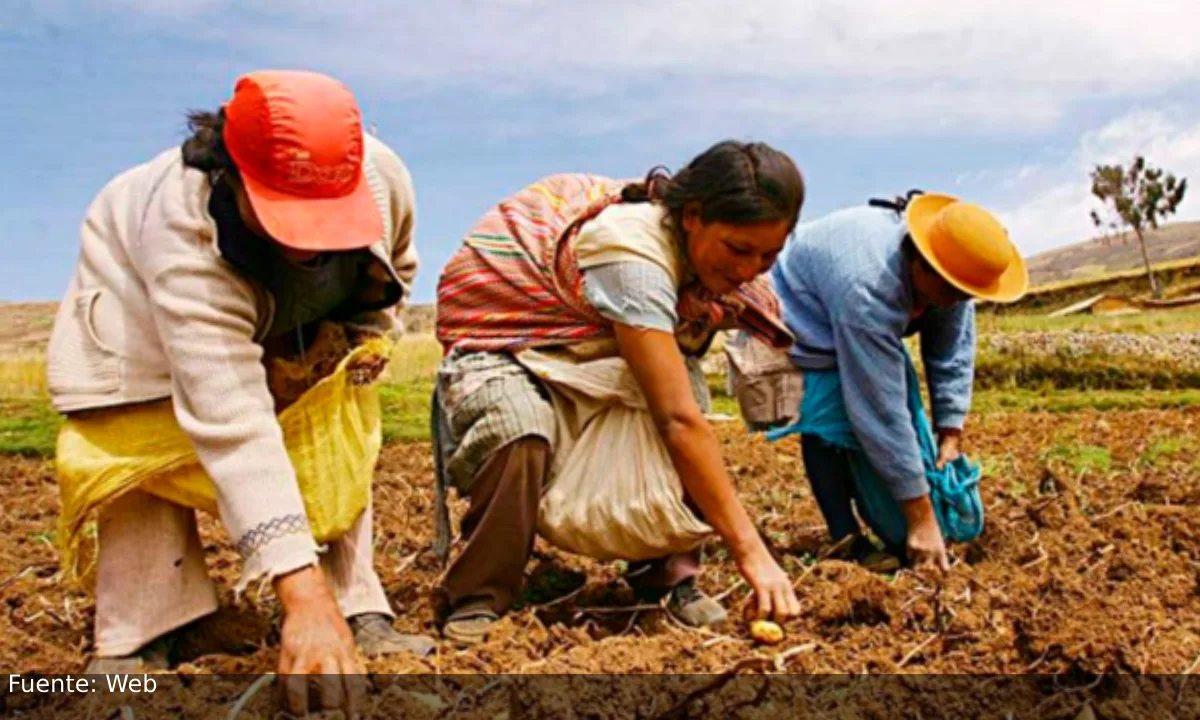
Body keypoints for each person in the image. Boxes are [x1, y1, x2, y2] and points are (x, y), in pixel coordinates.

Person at [46, 70, 433, 701]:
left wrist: (365, 335)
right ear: (234, 176)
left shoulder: (380, 175)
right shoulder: (181, 233)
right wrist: (294, 593)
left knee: (335, 427)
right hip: (134, 329)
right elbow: (232, 421)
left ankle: (355, 606)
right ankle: (139, 634)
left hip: (296, 317)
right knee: (140, 443)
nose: (310, 247)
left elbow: (399, 262)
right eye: (290, 216)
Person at [432, 141, 806, 644]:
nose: (748, 271)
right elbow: (677, 421)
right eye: (738, 249)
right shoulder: (631, 256)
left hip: (600, 343)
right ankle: (480, 594)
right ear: (692, 216)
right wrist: (750, 550)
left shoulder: (711, 273)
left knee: (686, 395)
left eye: (769, 255)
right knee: (515, 429)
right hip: (513, 342)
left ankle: (668, 578)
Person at [767, 191, 1028, 571]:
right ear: (921, 267)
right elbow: (880, 409)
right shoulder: (868, 288)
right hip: (802, 314)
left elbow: (951, 351)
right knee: (827, 422)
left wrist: (950, 432)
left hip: (855, 308)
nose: (956, 302)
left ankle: (889, 509)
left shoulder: (952, 273)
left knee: (904, 455)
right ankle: (844, 538)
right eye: (951, 293)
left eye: (964, 295)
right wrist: (920, 520)